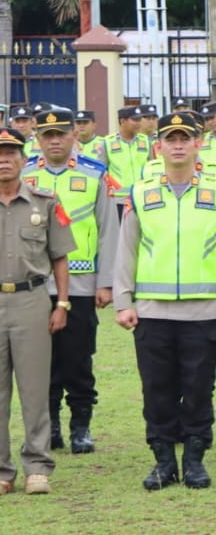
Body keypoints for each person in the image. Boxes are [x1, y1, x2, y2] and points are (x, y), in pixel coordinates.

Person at [113, 111, 216, 491]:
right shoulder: (140, 192)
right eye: (170, 139)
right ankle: (163, 461)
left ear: (197, 144)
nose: (177, 145)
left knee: (199, 385)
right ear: (159, 146)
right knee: (157, 388)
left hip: (201, 310)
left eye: (185, 138)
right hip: (151, 311)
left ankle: (195, 459)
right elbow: (127, 251)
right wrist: (124, 301)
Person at [22, 109, 118, 455]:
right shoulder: (25, 174)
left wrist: (106, 282)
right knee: (40, 360)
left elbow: (109, 231)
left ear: (74, 135)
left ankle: (81, 426)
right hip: (35, 283)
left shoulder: (95, 173)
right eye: (47, 135)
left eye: (61, 133)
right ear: (37, 138)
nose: (55, 140)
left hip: (81, 283)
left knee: (78, 358)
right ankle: (51, 427)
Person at [0, 127, 73, 496]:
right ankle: (2, 471)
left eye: (11, 153)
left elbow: (59, 256)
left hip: (31, 301)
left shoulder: (45, 202)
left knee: (34, 389)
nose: (4, 160)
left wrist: (61, 303)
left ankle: (37, 466)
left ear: (23, 160)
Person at [94, 106, 152, 218]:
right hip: (118, 201)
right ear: (122, 121)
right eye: (134, 120)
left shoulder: (145, 141)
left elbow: (151, 167)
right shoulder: (107, 143)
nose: (138, 123)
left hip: (142, 197)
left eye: (140, 120)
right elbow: (101, 172)